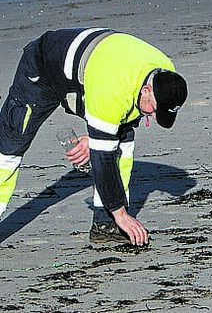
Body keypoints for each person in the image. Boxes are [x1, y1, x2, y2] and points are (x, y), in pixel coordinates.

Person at [0, 28, 188, 245]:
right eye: (154, 109)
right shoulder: (113, 89)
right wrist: (122, 214)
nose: (154, 117)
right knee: (9, 149)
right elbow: (103, 161)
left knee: (123, 141)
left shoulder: (167, 76)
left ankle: (105, 224)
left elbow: (124, 120)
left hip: (95, 74)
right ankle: (116, 216)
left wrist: (95, 139)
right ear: (146, 89)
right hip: (41, 67)